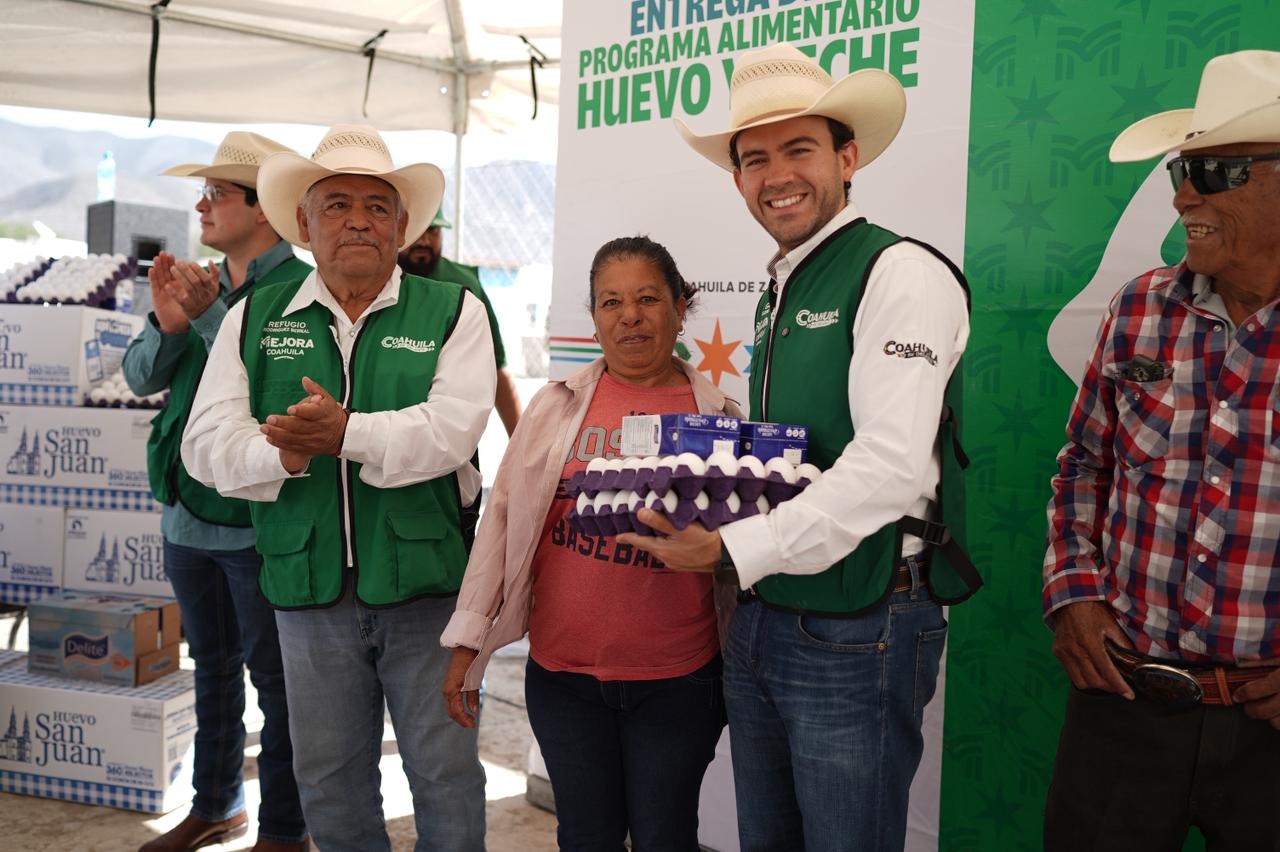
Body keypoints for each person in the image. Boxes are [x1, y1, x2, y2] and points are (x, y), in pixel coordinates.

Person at [619, 43, 981, 851]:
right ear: (737, 179)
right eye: (755, 159)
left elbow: (888, 468)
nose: (777, 175)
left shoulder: (898, 272)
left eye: (799, 149)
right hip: (769, 608)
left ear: (847, 158)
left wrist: (730, 547)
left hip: (861, 618)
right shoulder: (785, 281)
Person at [182, 124, 494, 852]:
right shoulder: (253, 317)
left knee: (446, 774)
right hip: (306, 592)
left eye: (378, 207)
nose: (359, 220)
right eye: (338, 204)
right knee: (327, 779)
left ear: (401, 227)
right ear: (303, 222)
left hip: (428, 592)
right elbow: (205, 446)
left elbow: (451, 431)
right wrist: (286, 456)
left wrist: (345, 434)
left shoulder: (455, 310)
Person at [1041, 50, 1280, 851]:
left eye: (1213, 171)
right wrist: (1074, 595)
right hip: (1125, 702)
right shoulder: (1140, 309)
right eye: (1182, 169)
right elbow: (1084, 468)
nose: (1182, 195)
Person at [440, 235, 739, 851]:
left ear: (681, 308)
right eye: (611, 302)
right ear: (595, 317)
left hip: (679, 681)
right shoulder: (554, 409)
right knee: (584, 837)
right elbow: (500, 525)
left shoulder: (722, 418)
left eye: (648, 299)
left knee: (666, 838)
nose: (630, 316)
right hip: (563, 680)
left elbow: (741, 544)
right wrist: (469, 640)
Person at [124, 131, 310, 852]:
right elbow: (141, 377)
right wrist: (170, 322)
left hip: (257, 522)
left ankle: (284, 829)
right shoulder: (201, 283)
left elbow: (269, 388)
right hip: (186, 517)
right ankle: (216, 806)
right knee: (212, 671)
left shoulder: (300, 290)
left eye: (216, 193)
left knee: (276, 681)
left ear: (263, 208)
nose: (201, 206)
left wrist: (204, 316)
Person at [398, 210, 523, 435]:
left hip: (451, 429)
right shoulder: (378, 281)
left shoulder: (464, 283)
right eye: (418, 230)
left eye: (433, 231)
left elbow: (496, 365)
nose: (424, 241)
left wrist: (520, 441)